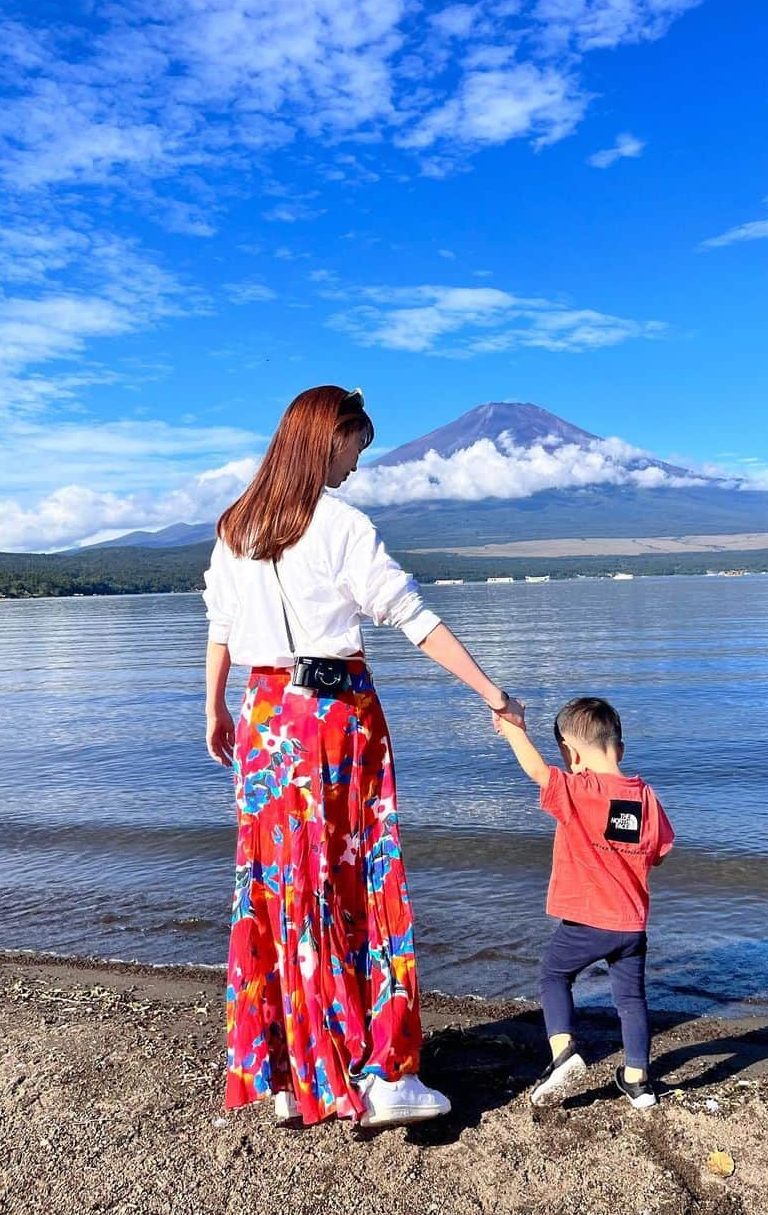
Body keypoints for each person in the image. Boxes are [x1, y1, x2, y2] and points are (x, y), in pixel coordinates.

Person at [203, 385, 525, 1129]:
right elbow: (411, 615)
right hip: (332, 722)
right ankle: (380, 1074)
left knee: (281, 890)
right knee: (360, 883)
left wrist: (213, 706)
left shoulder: (234, 528)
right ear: (329, 436)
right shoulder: (341, 525)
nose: (355, 464)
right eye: (356, 447)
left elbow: (222, 625)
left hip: (262, 718)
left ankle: (292, 1071)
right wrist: (490, 691)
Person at [493, 696, 674, 1109]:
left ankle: (563, 1053)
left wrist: (512, 727)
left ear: (571, 754)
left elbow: (538, 772)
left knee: (554, 975)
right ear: (620, 749)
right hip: (632, 924)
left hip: (587, 922)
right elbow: (660, 853)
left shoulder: (579, 791)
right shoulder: (646, 799)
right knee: (631, 1000)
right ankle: (638, 1080)